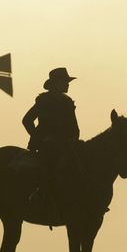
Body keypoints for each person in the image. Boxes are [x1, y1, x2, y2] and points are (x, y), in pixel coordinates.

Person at [22, 67, 80, 201]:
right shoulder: (44, 101)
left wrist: (74, 137)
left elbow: (74, 126)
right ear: (56, 83)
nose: (67, 84)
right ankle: (39, 192)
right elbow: (27, 120)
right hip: (46, 146)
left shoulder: (67, 102)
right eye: (64, 81)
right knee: (48, 165)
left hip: (66, 144)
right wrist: (39, 138)